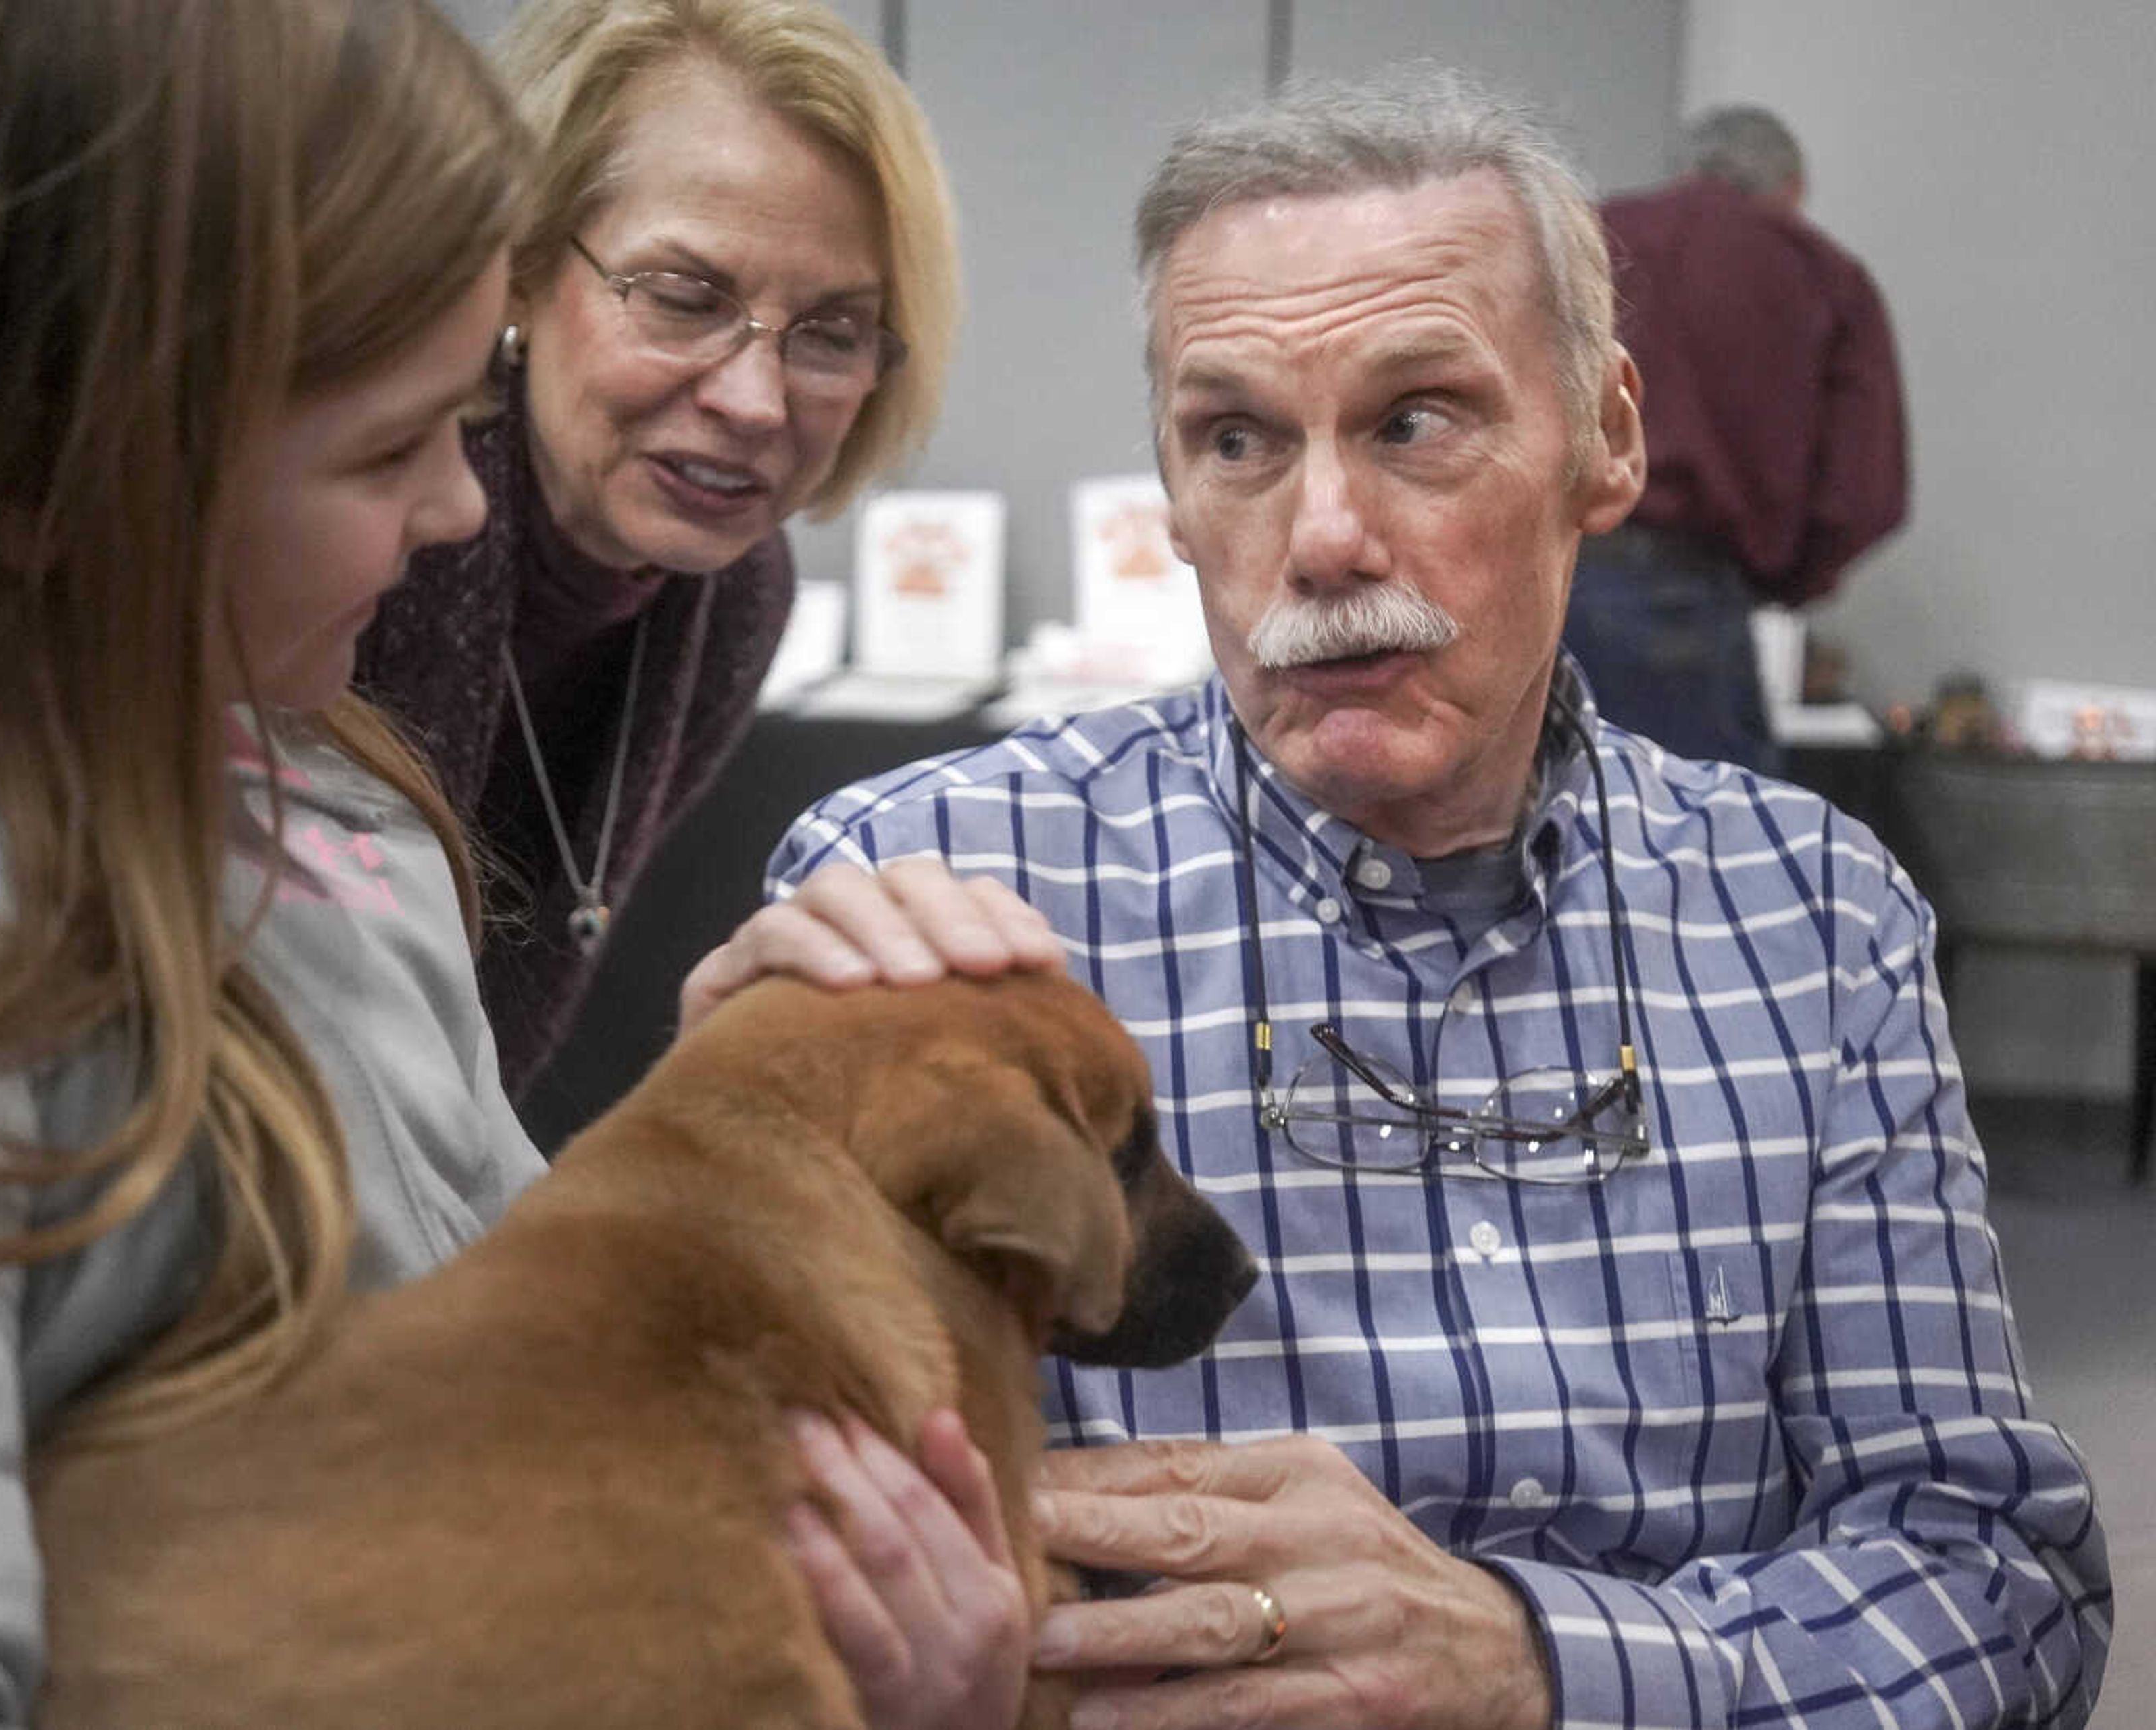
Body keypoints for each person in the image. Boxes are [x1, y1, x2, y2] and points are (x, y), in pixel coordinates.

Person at [0, 4, 1044, 1724]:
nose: (460, 510)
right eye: (386, 446)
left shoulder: (331, 804)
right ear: (61, 452)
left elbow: (495, 1318)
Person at [770, 68, 2108, 1729]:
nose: (1322, 535)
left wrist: (1536, 1662)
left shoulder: (1812, 915)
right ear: (1173, 495)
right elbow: (782, 1550)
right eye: (1236, 438)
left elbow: (1991, 1562)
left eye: (1413, 418)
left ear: (1604, 437)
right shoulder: (936, 902)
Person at [354, 0, 959, 1100]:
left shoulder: (732, 592)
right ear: (523, 272)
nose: (753, 400)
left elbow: (478, 1065)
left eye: (829, 334)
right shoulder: (363, 532)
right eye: (685, 299)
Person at [1561, 103, 1909, 775]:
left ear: (1687, 169)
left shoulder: (1586, 238)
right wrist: (1783, 580)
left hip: (1533, 585)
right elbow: (1865, 492)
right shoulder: (1826, 277)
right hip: (1688, 604)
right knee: (1700, 852)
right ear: (1791, 192)